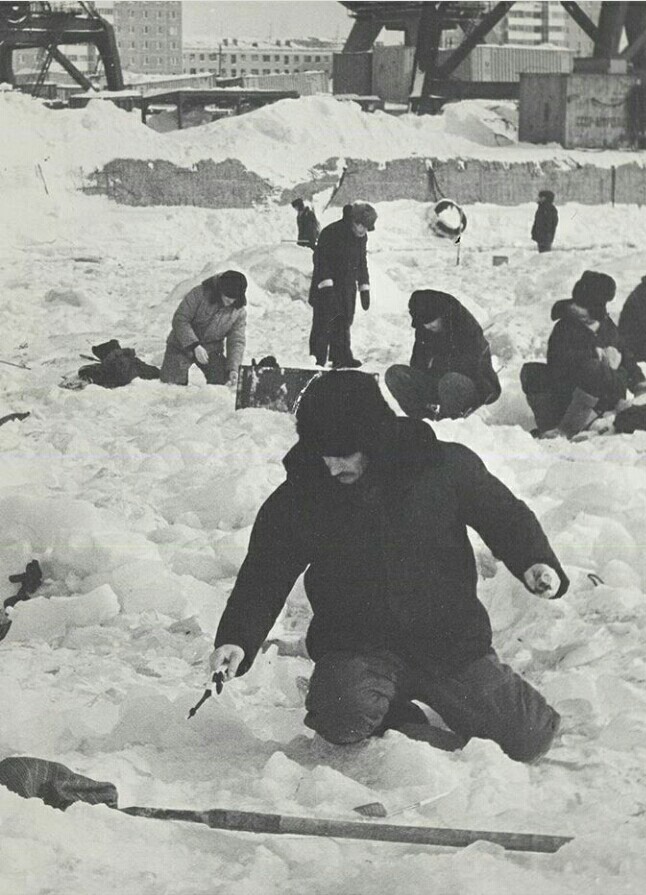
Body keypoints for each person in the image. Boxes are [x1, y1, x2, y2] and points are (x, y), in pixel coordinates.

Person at [211, 371, 570, 761]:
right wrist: (237, 638)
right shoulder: (305, 493)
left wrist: (534, 560)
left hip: (448, 642)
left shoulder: (440, 467)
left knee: (531, 737)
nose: (332, 467)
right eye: (323, 455)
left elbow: (504, 516)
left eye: (343, 453)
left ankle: (421, 704)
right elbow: (266, 570)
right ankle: (394, 712)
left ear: (373, 439)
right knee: (341, 715)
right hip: (358, 645)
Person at [541, 270, 646, 437]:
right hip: (574, 400)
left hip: (609, 399)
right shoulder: (565, 328)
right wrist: (597, 356)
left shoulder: (606, 325)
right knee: (592, 367)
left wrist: (639, 383)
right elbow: (560, 365)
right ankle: (573, 427)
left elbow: (626, 356)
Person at [385, 289, 501, 420]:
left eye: (431, 321)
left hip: (472, 386)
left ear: (442, 315)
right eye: (424, 323)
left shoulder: (466, 327)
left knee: (449, 381)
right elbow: (417, 364)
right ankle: (423, 420)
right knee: (395, 374)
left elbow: (473, 366)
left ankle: (449, 422)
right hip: (438, 384)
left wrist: (438, 363)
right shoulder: (425, 329)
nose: (427, 326)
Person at [308, 201, 377, 369]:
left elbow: (362, 261)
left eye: (366, 228)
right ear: (353, 221)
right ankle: (317, 361)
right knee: (324, 324)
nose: (363, 230)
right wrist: (327, 287)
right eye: (361, 226)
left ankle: (341, 357)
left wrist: (364, 286)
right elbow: (320, 260)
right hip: (327, 288)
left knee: (344, 321)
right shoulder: (332, 232)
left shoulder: (361, 237)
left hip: (347, 288)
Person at [160, 269, 247, 387]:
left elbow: (236, 341)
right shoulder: (199, 294)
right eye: (227, 298)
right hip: (181, 344)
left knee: (223, 386)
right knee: (171, 387)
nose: (230, 302)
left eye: (234, 299)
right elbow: (180, 319)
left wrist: (233, 368)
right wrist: (194, 345)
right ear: (220, 290)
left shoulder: (239, 311)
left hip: (212, 349)